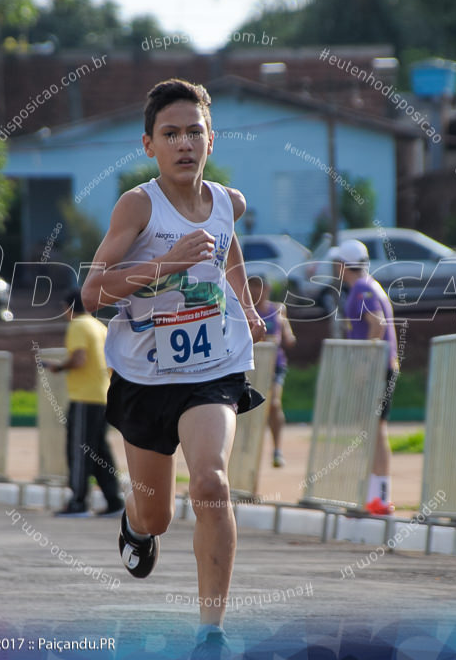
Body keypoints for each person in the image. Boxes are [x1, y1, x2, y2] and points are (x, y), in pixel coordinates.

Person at [81, 78, 265, 658]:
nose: (184, 143)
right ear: (149, 144)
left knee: (210, 482)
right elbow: (92, 293)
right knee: (157, 516)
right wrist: (164, 264)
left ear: (211, 138)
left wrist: (249, 307)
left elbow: (227, 244)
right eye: (170, 134)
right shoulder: (138, 205)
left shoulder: (228, 202)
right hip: (144, 376)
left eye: (194, 131)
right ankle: (135, 523)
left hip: (214, 366)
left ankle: (211, 631)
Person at [332, 238, 399, 516]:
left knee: (375, 431)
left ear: (344, 265)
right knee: (374, 430)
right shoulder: (371, 285)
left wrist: (365, 365)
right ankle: (376, 496)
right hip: (384, 366)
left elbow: (377, 324)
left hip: (377, 368)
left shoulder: (361, 288)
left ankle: (378, 498)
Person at [49, 288, 125, 518]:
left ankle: (78, 502)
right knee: (99, 451)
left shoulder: (78, 325)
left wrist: (60, 366)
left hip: (85, 397)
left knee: (80, 449)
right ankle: (114, 500)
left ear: (68, 307)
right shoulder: (99, 327)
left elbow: (80, 358)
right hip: (103, 396)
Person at [247, 274, 296, 467]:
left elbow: (289, 338)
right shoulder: (244, 311)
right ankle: (248, 454)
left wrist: (283, 335)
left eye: (259, 286)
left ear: (267, 289)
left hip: (274, 366)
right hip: (251, 366)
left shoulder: (278, 310)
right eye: (251, 287)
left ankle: (277, 450)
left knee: (274, 404)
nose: (255, 291)